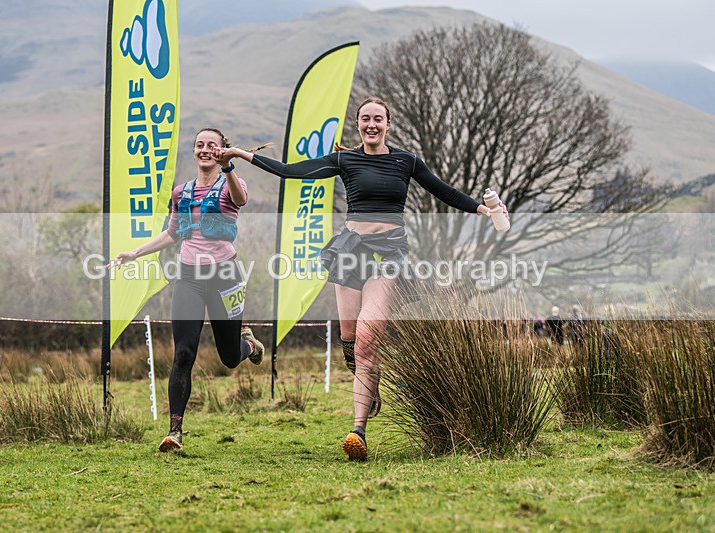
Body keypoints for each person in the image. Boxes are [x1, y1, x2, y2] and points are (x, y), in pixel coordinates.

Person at [214, 97, 508, 461]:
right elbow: (292, 171)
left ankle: (358, 431)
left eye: (378, 119)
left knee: (369, 340)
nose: (372, 125)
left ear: (389, 124)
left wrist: (484, 209)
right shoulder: (344, 160)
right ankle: (371, 386)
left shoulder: (407, 161)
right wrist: (241, 156)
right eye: (365, 119)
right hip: (349, 252)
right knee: (352, 346)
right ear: (358, 125)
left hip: (388, 254)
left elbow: (443, 191)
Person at [113, 128, 265, 453]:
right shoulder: (181, 192)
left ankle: (249, 346)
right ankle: (175, 432)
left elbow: (240, 199)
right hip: (188, 278)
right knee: (183, 354)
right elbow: (172, 234)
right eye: (200, 145)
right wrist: (134, 253)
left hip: (225, 276)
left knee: (228, 357)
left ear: (222, 150)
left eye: (212, 145)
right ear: (194, 151)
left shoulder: (230, 184)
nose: (205, 149)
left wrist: (229, 167)